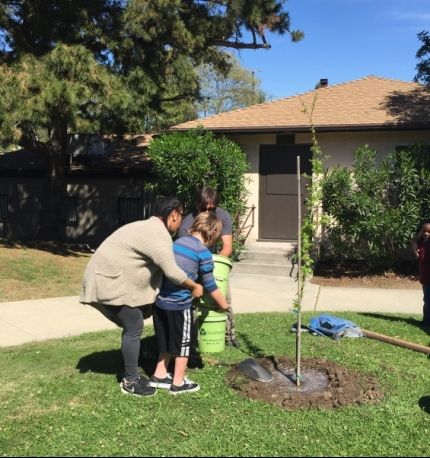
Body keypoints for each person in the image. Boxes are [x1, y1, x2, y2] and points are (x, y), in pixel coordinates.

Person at [79, 196, 204, 397]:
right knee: (134, 325)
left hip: (107, 277)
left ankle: (133, 373)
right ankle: (130, 381)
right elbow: (171, 271)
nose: (182, 221)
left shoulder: (150, 227)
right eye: (181, 215)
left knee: (133, 323)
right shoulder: (158, 233)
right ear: (173, 215)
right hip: (106, 281)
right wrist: (194, 286)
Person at [150, 212, 229, 395]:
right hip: (179, 305)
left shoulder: (176, 243)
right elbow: (210, 284)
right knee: (183, 344)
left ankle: (159, 375)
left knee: (166, 341)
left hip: (161, 303)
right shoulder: (203, 252)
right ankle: (178, 383)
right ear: (211, 234)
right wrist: (223, 304)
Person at [178, 187, 240, 347]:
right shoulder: (187, 223)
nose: (207, 211)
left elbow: (227, 247)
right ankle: (191, 339)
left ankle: (229, 336)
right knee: (193, 303)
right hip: (192, 267)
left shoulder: (223, 216)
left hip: (212, 262)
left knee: (224, 297)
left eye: (211, 208)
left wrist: (215, 266)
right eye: (203, 208)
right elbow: (187, 253)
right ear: (197, 204)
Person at [414, 221, 430, 325]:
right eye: (424, 231)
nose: (426, 233)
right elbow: (414, 241)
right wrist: (415, 247)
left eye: (429, 232)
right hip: (425, 277)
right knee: (427, 300)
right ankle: (426, 320)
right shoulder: (420, 243)